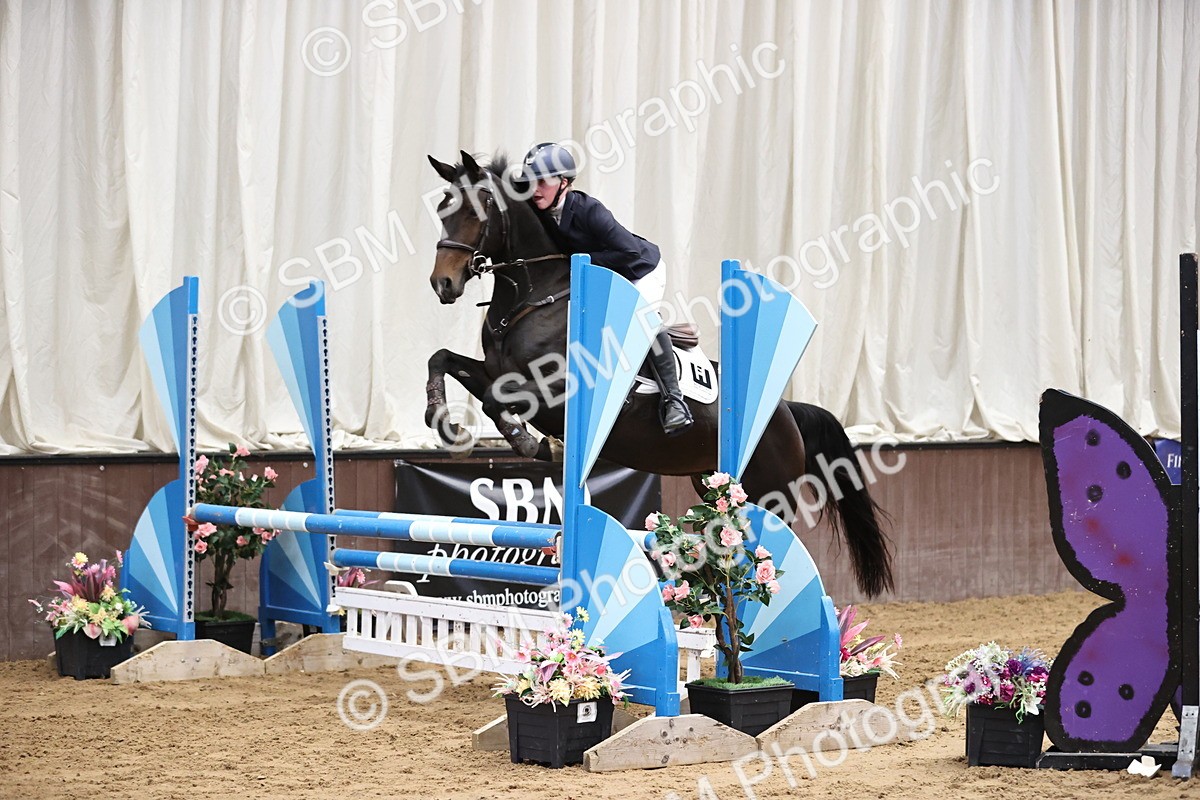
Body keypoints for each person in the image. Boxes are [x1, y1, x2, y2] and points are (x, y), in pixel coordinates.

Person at [520, 142, 693, 436]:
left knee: (642, 321)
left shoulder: (589, 210)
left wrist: (576, 263)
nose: (535, 189)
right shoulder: (539, 210)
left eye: (543, 181)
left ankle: (674, 402)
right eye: (530, 181)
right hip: (597, 275)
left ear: (564, 183)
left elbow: (629, 253)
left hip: (639, 269)